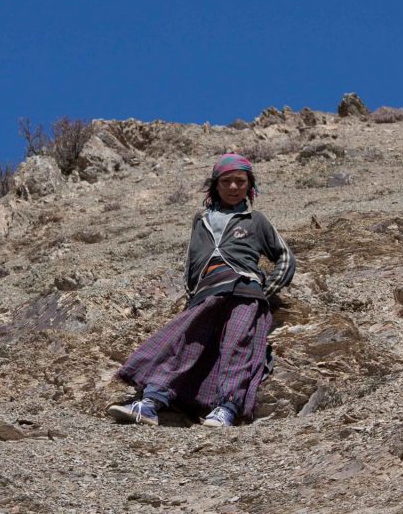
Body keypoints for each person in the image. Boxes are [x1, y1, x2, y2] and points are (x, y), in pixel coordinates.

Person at [107, 153, 296, 427]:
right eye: (227, 181)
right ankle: (150, 402)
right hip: (206, 295)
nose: (233, 187)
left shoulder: (256, 220)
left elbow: (286, 256)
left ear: (249, 185)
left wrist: (265, 290)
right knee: (183, 345)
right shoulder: (202, 219)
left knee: (237, 345)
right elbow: (192, 263)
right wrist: (192, 296)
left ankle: (226, 409)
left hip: (245, 293)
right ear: (215, 185)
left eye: (240, 182)